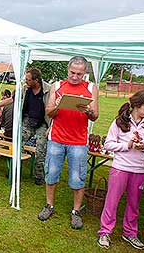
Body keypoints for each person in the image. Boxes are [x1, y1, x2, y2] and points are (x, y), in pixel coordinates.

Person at [37, 56, 99, 230]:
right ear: (68, 70)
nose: (75, 76)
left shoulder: (91, 88)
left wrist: (88, 111)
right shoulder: (57, 86)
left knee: (77, 177)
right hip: (56, 138)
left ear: (85, 73)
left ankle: (76, 211)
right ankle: (49, 205)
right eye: (72, 72)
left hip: (79, 140)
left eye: (79, 73)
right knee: (51, 174)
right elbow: (49, 112)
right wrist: (58, 105)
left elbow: (95, 115)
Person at [97, 90, 144, 250]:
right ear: (137, 105)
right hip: (120, 168)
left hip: (141, 169)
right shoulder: (119, 122)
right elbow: (108, 144)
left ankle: (130, 233)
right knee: (112, 201)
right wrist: (126, 146)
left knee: (134, 204)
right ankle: (105, 232)